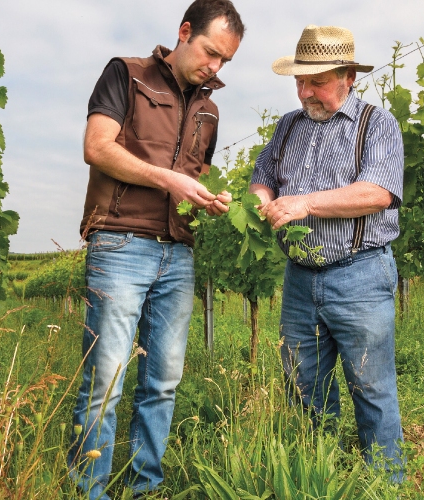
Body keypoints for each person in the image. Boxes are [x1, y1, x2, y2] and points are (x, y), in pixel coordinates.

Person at [68, 2, 244, 498]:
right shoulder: (127, 74)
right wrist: (168, 179)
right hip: (121, 241)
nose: (215, 67)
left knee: (162, 382)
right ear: (185, 32)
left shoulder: (209, 109)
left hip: (178, 254)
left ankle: (146, 486)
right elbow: (97, 147)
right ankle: (90, 490)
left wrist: (210, 199)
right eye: (211, 53)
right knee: (105, 381)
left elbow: (197, 175)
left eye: (225, 61)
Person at [249, 25, 406, 478]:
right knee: (304, 388)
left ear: (348, 78)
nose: (305, 92)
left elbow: (377, 193)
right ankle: (319, 475)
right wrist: (261, 198)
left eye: (316, 81)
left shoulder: (377, 124)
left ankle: (387, 483)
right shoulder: (289, 126)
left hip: (360, 274)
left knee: (371, 387)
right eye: (300, 81)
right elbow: (264, 173)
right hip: (299, 280)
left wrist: (306, 202)